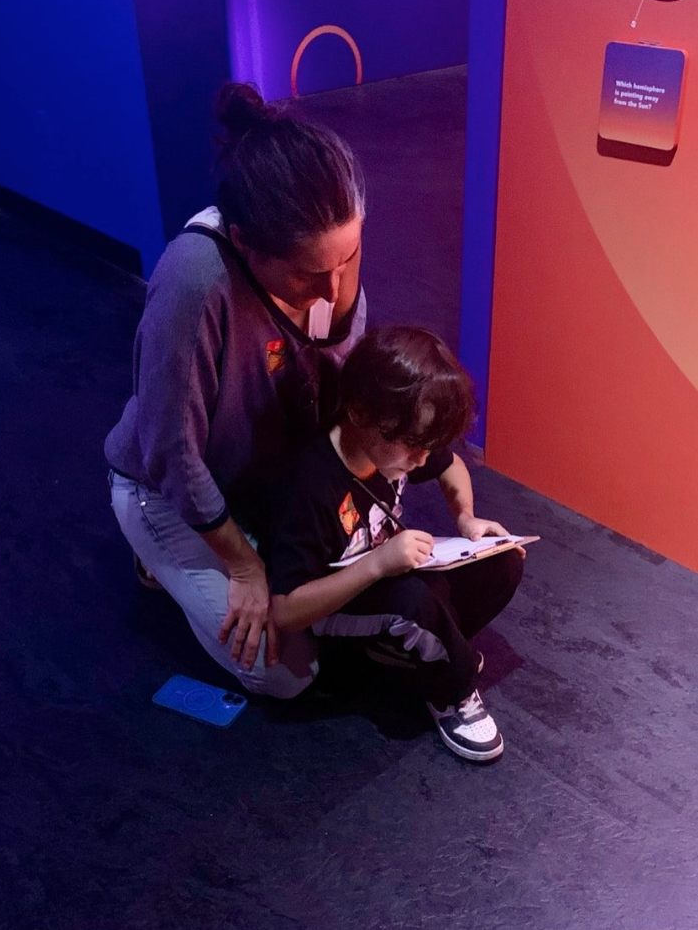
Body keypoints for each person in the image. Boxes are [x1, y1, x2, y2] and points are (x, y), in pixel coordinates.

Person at [105, 83, 366, 697]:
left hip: (263, 475)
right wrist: (244, 565)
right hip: (168, 490)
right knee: (285, 673)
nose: (333, 289)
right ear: (248, 242)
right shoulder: (196, 280)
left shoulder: (333, 241)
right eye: (309, 273)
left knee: (334, 610)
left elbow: (337, 360)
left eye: (348, 258)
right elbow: (170, 451)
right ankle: (158, 559)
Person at [263, 326, 524, 762]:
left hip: (388, 571)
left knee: (504, 561)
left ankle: (426, 654)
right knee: (413, 601)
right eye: (412, 445)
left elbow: (450, 464)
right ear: (362, 414)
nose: (421, 459)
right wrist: (376, 566)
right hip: (335, 611)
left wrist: (466, 518)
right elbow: (286, 610)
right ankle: (451, 689)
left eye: (427, 445)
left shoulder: (393, 446)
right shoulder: (310, 484)